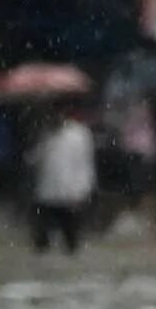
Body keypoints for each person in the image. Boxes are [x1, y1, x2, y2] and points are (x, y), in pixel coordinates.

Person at [30, 106, 96, 254]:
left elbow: (84, 163)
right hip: (48, 189)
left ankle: (71, 248)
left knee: (70, 226)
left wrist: (83, 187)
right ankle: (43, 250)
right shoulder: (46, 133)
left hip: (70, 189)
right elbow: (36, 158)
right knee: (43, 226)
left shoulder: (79, 134)